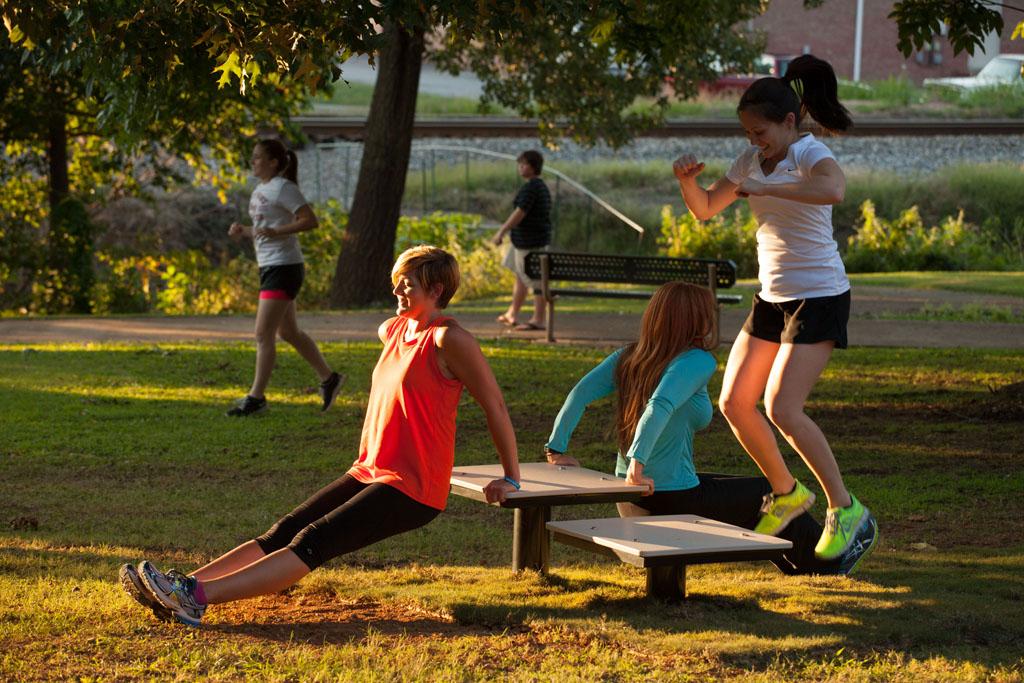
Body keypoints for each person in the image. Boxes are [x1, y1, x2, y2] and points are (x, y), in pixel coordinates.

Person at [119, 246, 524, 625]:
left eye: (409, 284)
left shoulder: (449, 340)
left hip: (414, 484)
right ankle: (180, 587)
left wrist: (510, 477)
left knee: (314, 540)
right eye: (398, 280)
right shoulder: (395, 330)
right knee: (282, 531)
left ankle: (196, 598)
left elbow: (496, 406)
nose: (398, 289)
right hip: (371, 469)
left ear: (436, 290)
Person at [670, 55, 875, 561]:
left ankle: (846, 509)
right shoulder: (748, 163)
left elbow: (835, 189)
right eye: (746, 133)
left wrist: (769, 186)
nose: (753, 142)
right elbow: (705, 210)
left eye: (759, 132)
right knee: (735, 403)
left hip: (819, 294)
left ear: (788, 122)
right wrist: (687, 182)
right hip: (772, 296)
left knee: (783, 407)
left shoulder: (808, 151)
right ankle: (786, 493)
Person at [543, 281, 877, 576]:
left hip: (632, 499)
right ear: (695, 320)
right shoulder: (696, 361)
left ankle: (797, 561)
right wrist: (637, 465)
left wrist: (555, 449)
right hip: (665, 498)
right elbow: (659, 406)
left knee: (761, 489)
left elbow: (579, 394)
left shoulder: (629, 356)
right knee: (770, 493)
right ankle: (827, 565)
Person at [225, 138, 343, 417]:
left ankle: (256, 399)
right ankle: (330, 379)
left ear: (273, 162)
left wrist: (278, 232)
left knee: (263, 333)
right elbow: (267, 228)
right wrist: (244, 230)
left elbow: (309, 220)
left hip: (285, 267)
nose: (252, 162)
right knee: (288, 332)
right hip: (269, 266)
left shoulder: (284, 188)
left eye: (257, 157)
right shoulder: (261, 190)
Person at [492, 150, 552, 332]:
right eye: (520, 164)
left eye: (524, 165)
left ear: (534, 167)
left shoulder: (532, 188)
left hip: (529, 242)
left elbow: (520, 212)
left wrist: (502, 231)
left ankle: (538, 319)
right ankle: (512, 314)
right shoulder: (539, 187)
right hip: (523, 241)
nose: (520, 168)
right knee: (520, 276)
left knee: (534, 280)